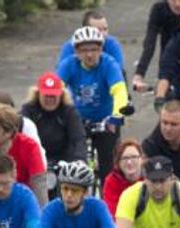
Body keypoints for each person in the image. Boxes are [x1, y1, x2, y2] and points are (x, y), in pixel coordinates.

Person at [57, 26, 129, 178]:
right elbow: (57, 90)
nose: (89, 54)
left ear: (101, 49)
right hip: (78, 119)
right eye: (84, 50)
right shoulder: (68, 65)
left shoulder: (109, 64)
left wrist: (117, 115)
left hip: (106, 120)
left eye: (94, 49)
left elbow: (119, 91)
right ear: (76, 51)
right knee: (70, 161)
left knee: (109, 168)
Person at [21, 72, 87, 177]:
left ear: (61, 95)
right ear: (38, 94)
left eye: (54, 96)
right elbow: (22, 137)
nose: (50, 100)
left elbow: (78, 138)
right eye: (46, 96)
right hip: (35, 160)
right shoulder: (28, 110)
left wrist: (79, 160)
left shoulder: (69, 111)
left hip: (64, 161)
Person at [56, 9, 127, 74]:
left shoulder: (112, 44)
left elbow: (118, 70)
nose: (104, 34)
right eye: (98, 30)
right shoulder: (70, 46)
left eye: (105, 29)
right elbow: (61, 72)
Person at [102, 140, 145, 216]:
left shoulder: (149, 179)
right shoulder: (111, 181)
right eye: (125, 158)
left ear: (141, 159)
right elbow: (111, 212)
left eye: (134, 157)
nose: (129, 162)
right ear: (118, 162)